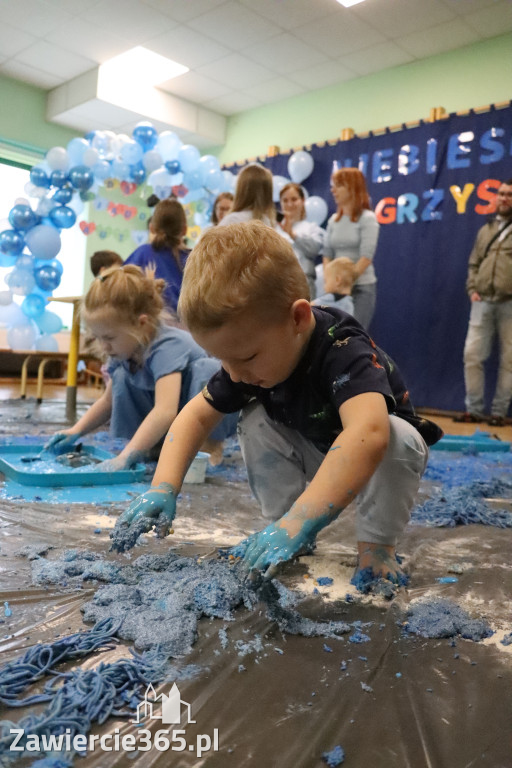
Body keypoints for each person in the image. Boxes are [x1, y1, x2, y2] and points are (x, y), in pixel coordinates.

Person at [112, 222, 442, 593]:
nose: (235, 373)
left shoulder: (342, 348)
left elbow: (368, 434)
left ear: (298, 319)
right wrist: (163, 487)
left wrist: (303, 519)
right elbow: (194, 416)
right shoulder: (247, 364)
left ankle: (376, 547)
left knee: (397, 435)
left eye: (247, 357)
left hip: (377, 460)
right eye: (224, 360)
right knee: (254, 419)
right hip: (318, 447)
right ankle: (282, 527)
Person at [44, 265, 229, 470]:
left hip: (200, 413)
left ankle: (209, 447)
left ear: (141, 324)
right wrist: (75, 431)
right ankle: (146, 446)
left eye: (109, 338)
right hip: (173, 417)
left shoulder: (166, 345)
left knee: (207, 369)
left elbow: (165, 411)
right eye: (98, 338)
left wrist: (124, 458)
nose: (104, 346)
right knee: (122, 377)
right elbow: (107, 402)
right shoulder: (124, 349)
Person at [456, 178, 512, 427]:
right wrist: (472, 289)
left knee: (509, 359)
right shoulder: (486, 229)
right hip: (482, 300)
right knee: (472, 355)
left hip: (509, 303)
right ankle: (474, 410)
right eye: (501, 193)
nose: (503, 198)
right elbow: (474, 262)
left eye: (509, 194)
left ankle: (499, 413)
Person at [323, 168, 380, 330]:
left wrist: (346, 283)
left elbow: (366, 256)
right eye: (333, 186)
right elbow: (327, 253)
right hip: (336, 288)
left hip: (361, 288)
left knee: (354, 334)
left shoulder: (368, 218)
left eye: (339, 185)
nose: (333, 190)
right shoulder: (333, 220)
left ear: (353, 188)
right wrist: (331, 281)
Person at [125, 199, 189, 315]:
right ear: (185, 230)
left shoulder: (142, 254)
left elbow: (117, 293)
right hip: (188, 329)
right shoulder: (194, 259)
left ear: (152, 228)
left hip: (146, 327)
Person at [277, 182, 324, 299]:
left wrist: (293, 235)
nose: (290, 204)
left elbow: (314, 250)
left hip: (304, 284)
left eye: (294, 199)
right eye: (285, 200)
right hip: (277, 286)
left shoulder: (312, 228)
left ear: (303, 201)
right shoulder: (273, 229)